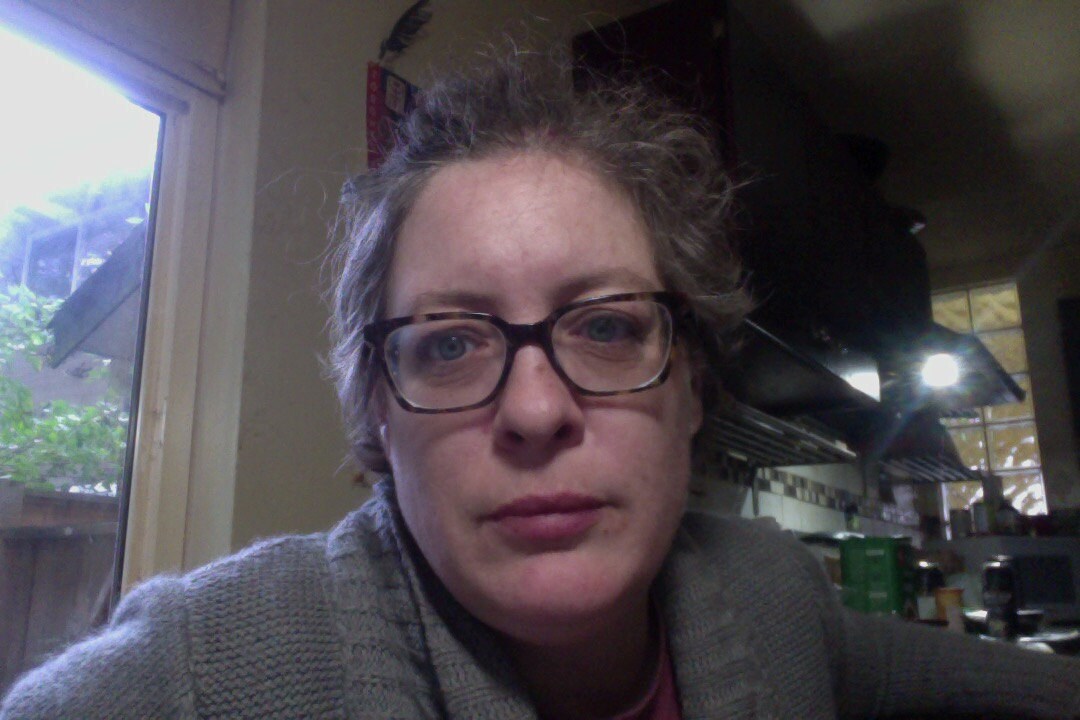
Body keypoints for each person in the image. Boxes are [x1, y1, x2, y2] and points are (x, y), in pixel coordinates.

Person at [2, 50, 1078, 720]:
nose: (532, 410)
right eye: (450, 344)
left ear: (693, 383)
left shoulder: (773, 597)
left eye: (606, 327)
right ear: (377, 404)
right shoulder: (213, 670)